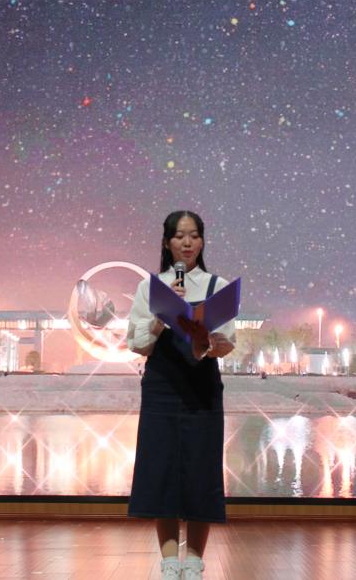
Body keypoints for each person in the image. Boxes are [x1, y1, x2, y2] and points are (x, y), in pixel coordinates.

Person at [126, 211, 236, 580]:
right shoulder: (151, 288)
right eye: (179, 236)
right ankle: (169, 561)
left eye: (193, 236)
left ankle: (194, 561)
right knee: (163, 469)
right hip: (161, 386)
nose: (186, 243)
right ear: (166, 242)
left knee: (201, 469)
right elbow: (137, 344)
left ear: (202, 241)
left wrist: (210, 340)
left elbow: (226, 343)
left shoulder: (217, 285)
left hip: (202, 387)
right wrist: (161, 316)